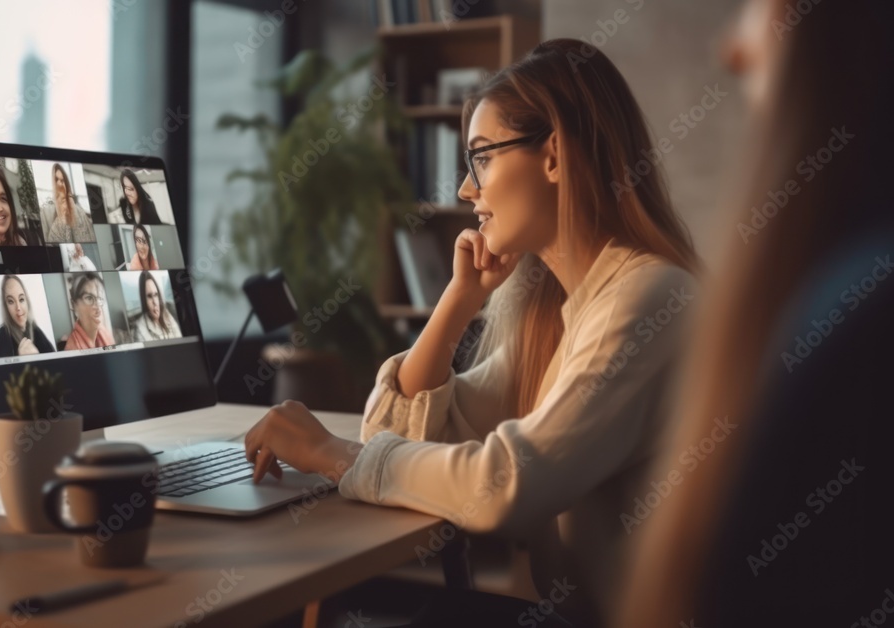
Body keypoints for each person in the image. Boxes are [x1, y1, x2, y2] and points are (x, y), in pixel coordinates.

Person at [242, 39, 700, 626]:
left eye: (482, 157)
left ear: (555, 154)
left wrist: (329, 454)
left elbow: (503, 485)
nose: (465, 189)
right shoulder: (565, 312)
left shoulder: (648, 298)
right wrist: (459, 301)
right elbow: (392, 430)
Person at [618, 1, 894, 627]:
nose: (731, 49)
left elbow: (514, 483)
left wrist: (359, 461)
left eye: (482, 156)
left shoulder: (860, 320)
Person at [0, 275, 55, 357]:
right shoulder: (4, 334)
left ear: (27, 301)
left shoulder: (35, 329)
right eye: (11, 301)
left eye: (21, 299)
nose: (18, 308)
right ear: (6, 307)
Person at [44, 163, 96, 243]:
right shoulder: (55, 230)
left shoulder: (80, 212)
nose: (60, 184)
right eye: (56, 180)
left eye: (62, 180)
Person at [64, 272, 114, 350]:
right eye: (89, 298)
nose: (98, 307)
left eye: (99, 298)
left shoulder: (105, 332)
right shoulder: (72, 349)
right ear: (74, 305)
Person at [134, 271, 181, 342]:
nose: (155, 302)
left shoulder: (166, 314)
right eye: (149, 296)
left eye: (156, 295)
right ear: (144, 300)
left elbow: (179, 338)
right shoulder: (140, 329)